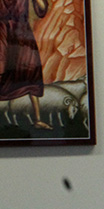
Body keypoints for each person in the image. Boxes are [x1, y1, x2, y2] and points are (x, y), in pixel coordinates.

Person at [0, 0, 51, 130]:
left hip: (22, 33)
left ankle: (37, 120)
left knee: (32, 70)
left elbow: (42, 10)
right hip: (2, 32)